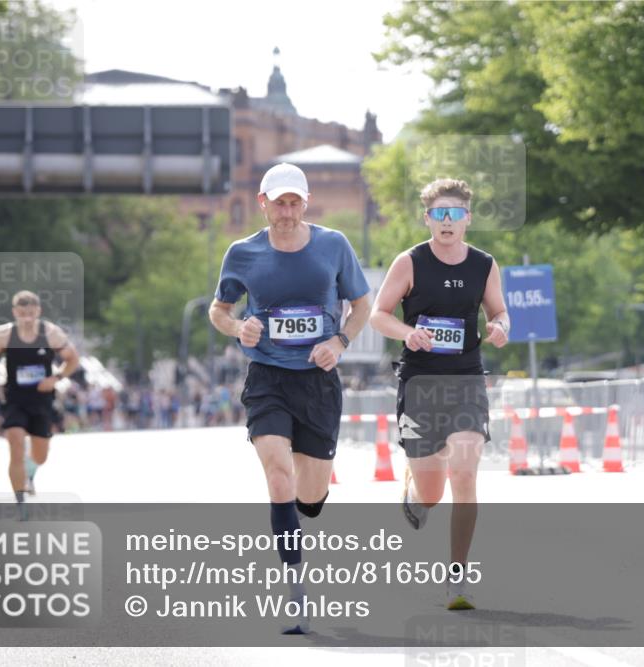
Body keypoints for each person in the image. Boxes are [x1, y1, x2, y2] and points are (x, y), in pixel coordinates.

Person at [208, 162, 372, 634]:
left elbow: (361, 304)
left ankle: (300, 514)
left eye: (294, 202)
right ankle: (296, 593)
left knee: (311, 498)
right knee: (278, 477)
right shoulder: (243, 253)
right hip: (268, 378)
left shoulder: (333, 245)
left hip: (318, 381)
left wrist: (339, 341)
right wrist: (238, 327)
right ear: (262, 202)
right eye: (278, 202)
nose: (286, 211)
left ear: (306, 203)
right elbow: (219, 309)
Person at [370, 178, 509, 611]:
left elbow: (499, 310)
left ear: (468, 218)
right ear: (427, 218)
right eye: (439, 214)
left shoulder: (484, 264)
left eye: (455, 214)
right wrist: (407, 333)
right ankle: (416, 492)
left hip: (467, 380)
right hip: (420, 384)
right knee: (432, 494)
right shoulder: (409, 262)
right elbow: (378, 315)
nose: (447, 222)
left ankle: (458, 577)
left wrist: (500, 326)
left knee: (464, 473)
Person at [0, 291, 79, 507]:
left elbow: (72, 359)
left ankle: (30, 471)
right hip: (15, 398)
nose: (27, 318)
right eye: (22, 313)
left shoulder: (51, 333)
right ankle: (20, 502)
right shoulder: (4, 334)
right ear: (15, 312)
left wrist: (56, 378)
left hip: (41, 400)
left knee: (40, 456)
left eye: (31, 313)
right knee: (15, 442)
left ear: (38, 311)